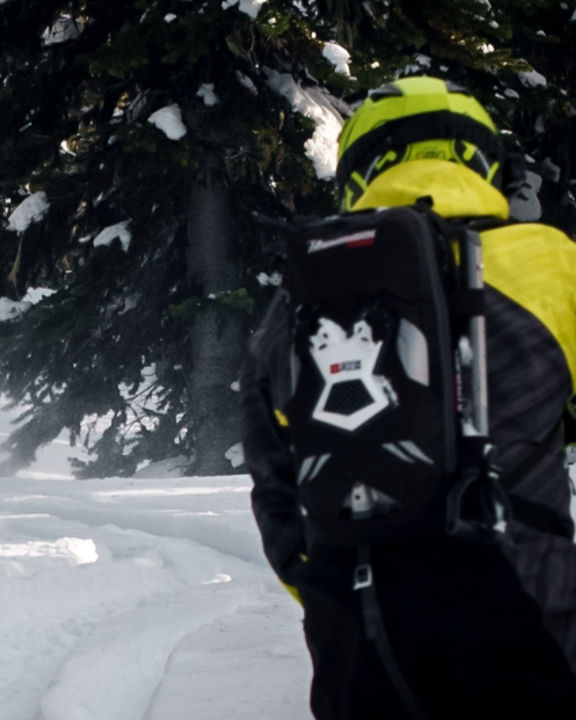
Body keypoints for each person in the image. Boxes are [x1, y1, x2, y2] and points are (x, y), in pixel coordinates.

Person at [241, 76, 576, 718]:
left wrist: (333, 595)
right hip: (529, 621)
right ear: (483, 160)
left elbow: (276, 492)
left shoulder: (295, 306)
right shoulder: (547, 263)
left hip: (357, 648)